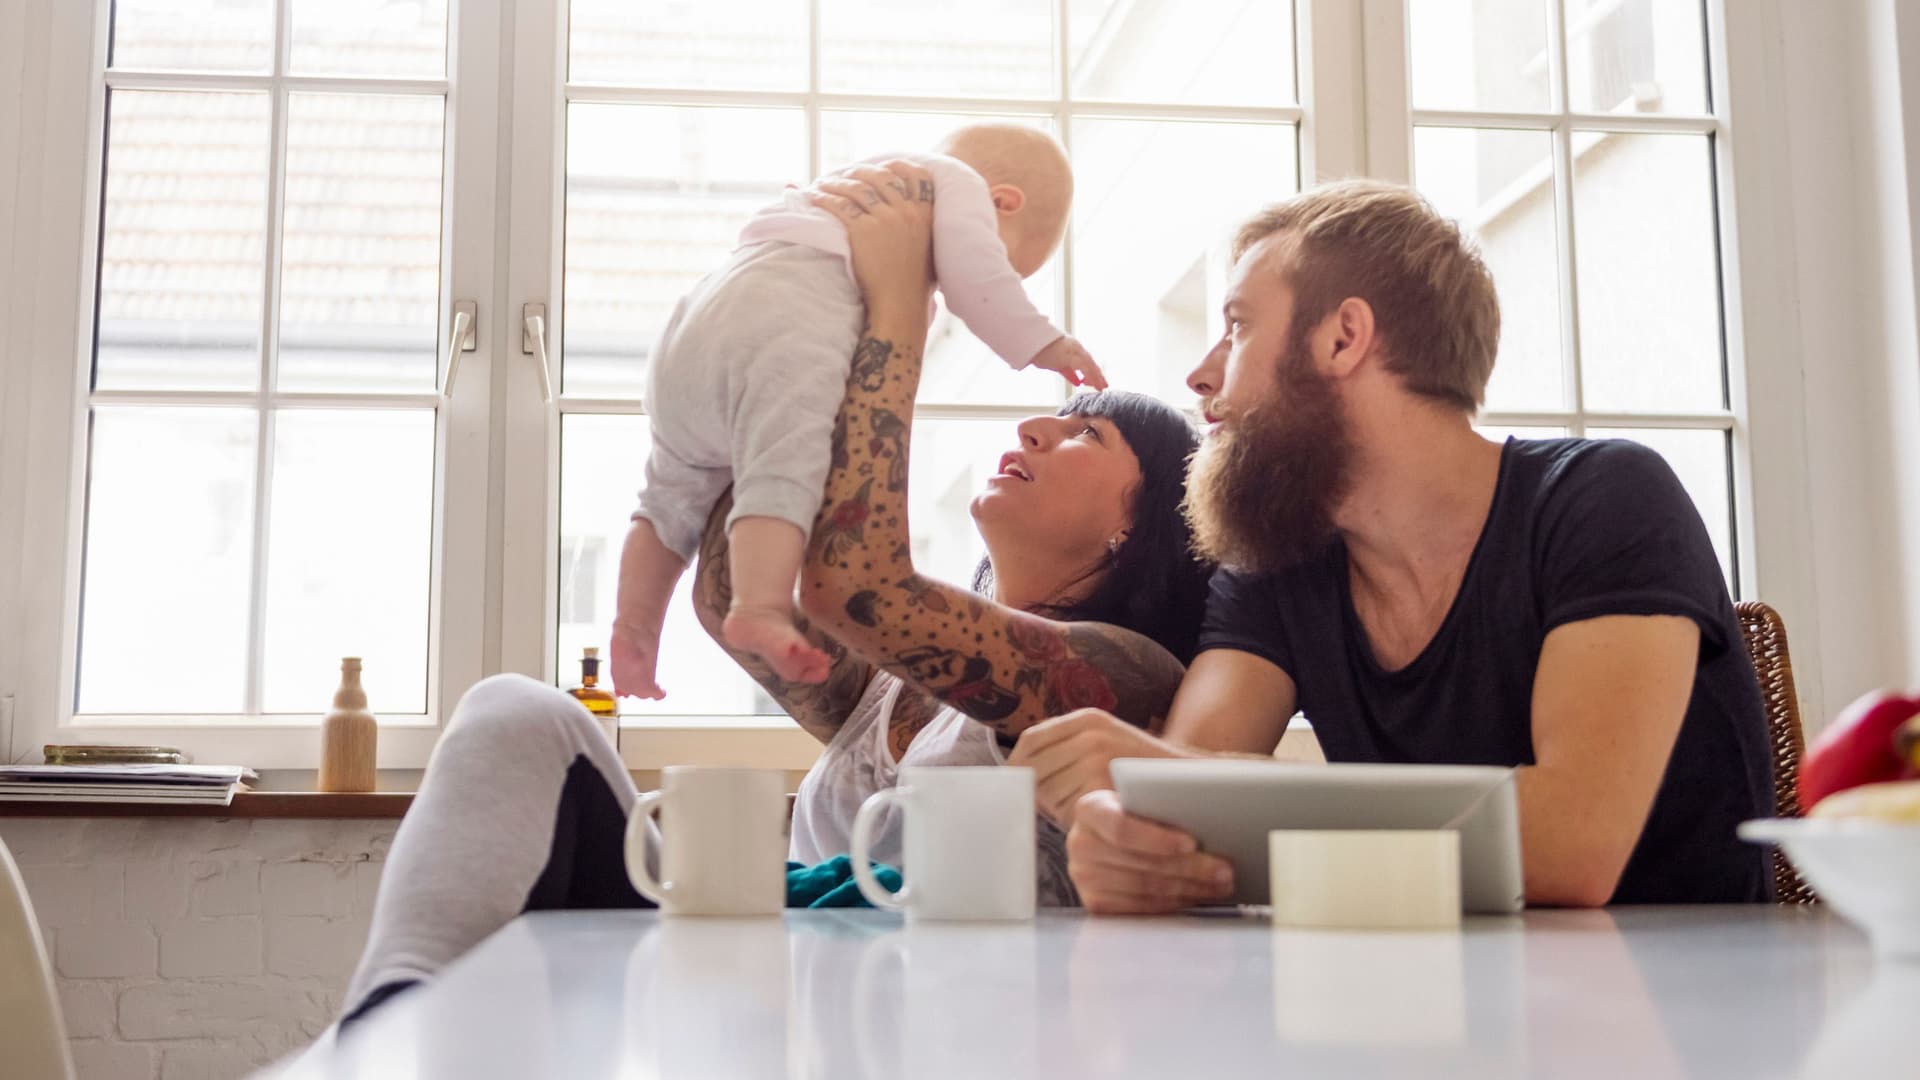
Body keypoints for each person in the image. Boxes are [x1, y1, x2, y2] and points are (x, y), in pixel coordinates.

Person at [336, 160, 1212, 1027]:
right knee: (514, 712)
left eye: (1084, 433)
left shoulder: (1126, 673)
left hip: (929, 1023)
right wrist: (788, 322)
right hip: (777, 987)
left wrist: (899, 307)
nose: (1034, 425)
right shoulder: (896, 690)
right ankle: (388, 1028)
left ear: (1138, 526)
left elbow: (856, 588)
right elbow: (728, 602)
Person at [1006, 179, 1774, 911]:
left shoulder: (1606, 497)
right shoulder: (1278, 564)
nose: (1202, 375)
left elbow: (1571, 847)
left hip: (1688, 1010)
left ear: (1344, 338)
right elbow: (1175, 802)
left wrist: (1191, 794)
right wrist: (1127, 843)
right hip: (1430, 997)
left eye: (1237, 325)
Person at [613, 122, 1106, 701]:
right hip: (777, 327)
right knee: (788, 464)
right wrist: (1047, 344)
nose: (950, 293)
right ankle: (761, 605)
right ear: (1003, 202)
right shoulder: (955, 187)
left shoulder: (863, 182)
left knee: (669, 495)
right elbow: (982, 288)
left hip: (689, 333)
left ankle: (635, 625)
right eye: (1013, 264)